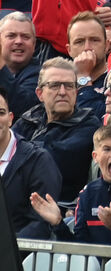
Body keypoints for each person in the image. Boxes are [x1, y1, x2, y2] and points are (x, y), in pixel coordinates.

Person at [31, 122, 111, 246]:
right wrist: (58, 223)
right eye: (107, 149)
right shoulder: (87, 194)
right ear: (95, 157)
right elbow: (80, 249)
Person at [16, 56, 101, 199]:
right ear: (40, 94)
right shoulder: (29, 118)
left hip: (63, 208)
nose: (62, 92)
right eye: (55, 85)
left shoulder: (89, 125)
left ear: (76, 91)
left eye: (69, 86)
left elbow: (51, 158)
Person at [0, 83, 62, 238]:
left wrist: (8, 251)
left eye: (0, 113)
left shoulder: (38, 160)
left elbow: (41, 224)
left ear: (10, 119)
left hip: (19, 257)